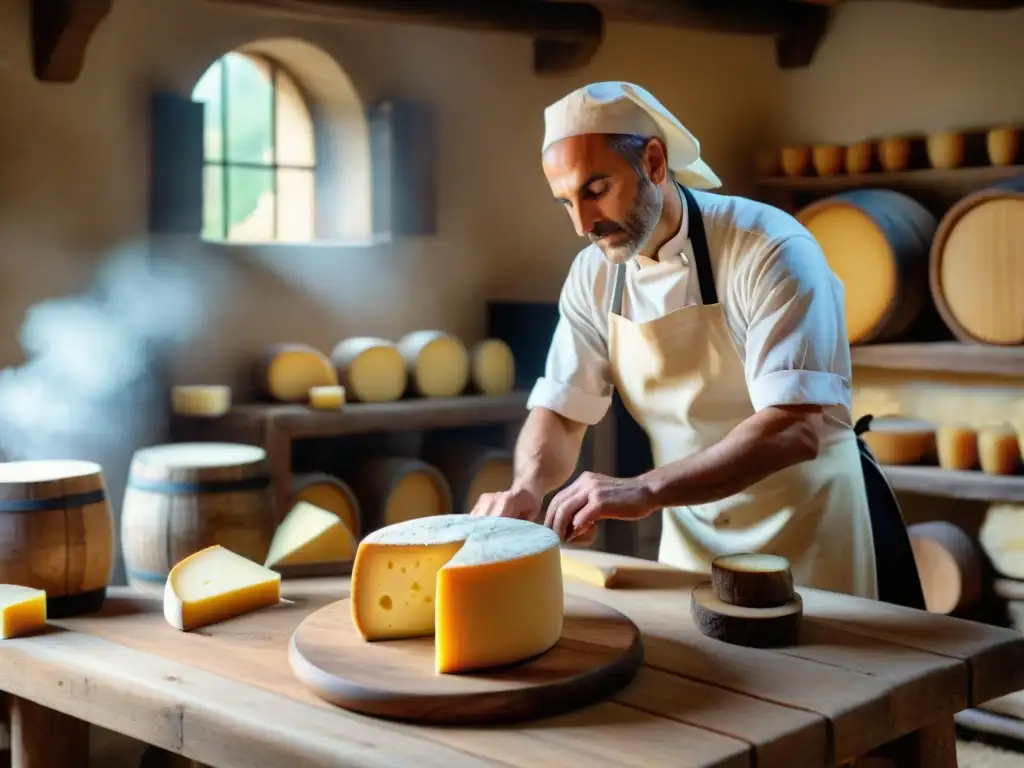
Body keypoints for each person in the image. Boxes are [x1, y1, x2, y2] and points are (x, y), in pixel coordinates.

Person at [470, 81, 923, 604]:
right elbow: (563, 409)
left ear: (655, 162)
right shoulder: (593, 275)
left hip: (807, 533)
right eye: (565, 202)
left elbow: (794, 427)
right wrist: (527, 487)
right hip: (691, 543)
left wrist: (645, 489)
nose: (582, 224)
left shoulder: (770, 248)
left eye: (595, 191)